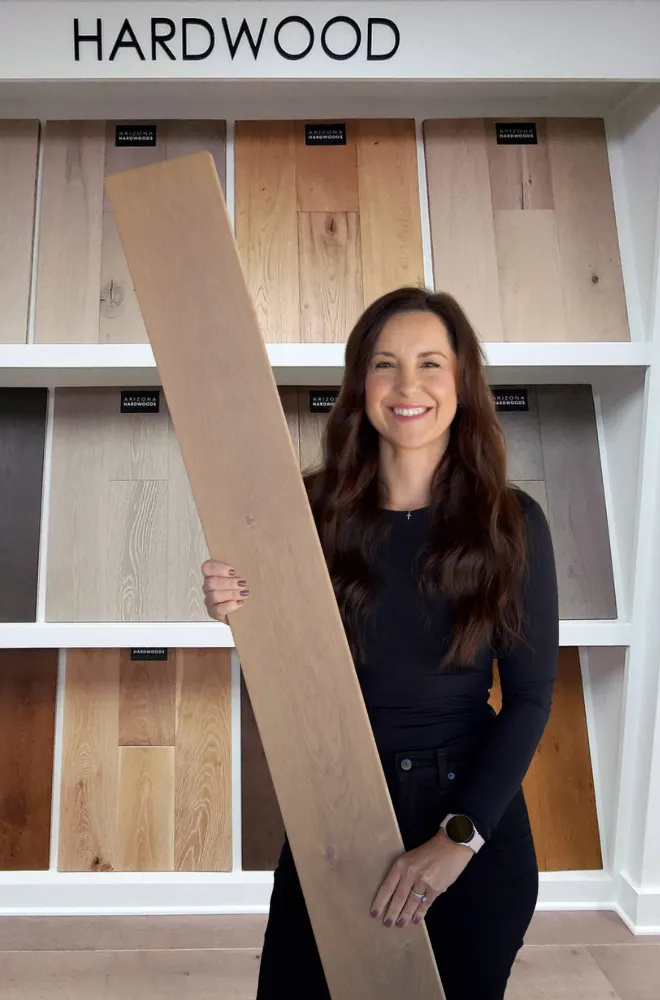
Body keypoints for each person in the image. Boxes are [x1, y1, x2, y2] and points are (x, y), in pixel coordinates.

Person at [201, 287, 559, 1000]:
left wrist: (456, 840)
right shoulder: (307, 511)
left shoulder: (510, 522)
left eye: (431, 364)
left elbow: (528, 699)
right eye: (385, 365)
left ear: (462, 382)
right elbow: (288, 684)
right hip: (334, 815)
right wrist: (238, 613)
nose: (408, 386)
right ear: (359, 384)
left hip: (467, 822)